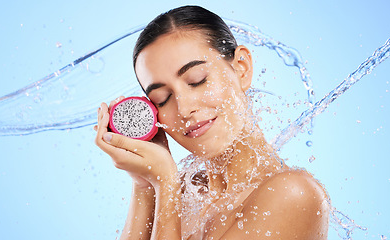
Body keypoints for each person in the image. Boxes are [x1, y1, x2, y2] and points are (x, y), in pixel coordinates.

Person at [95, 5, 329, 239]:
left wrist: (165, 183)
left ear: (242, 68)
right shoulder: (184, 194)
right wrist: (144, 185)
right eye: (163, 99)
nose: (184, 109)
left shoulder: (293, 193)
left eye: (197, 80)